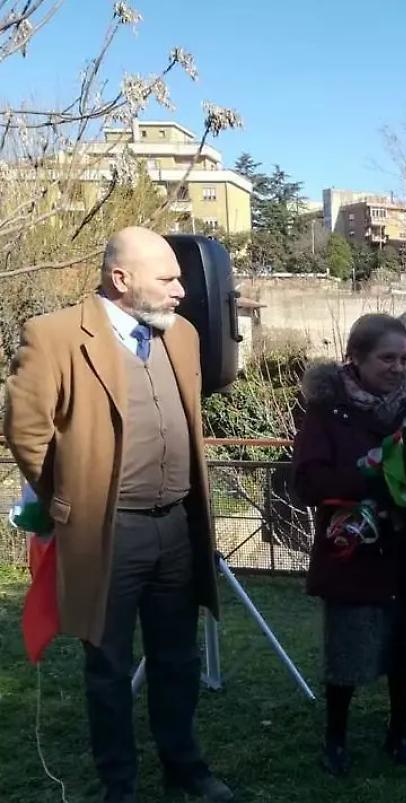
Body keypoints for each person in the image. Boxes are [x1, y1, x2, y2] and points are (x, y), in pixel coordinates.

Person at [3, 227, 233, 802]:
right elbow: (27, 431)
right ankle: (119, 783)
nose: (182, 290)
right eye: (169, 278)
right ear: (121, 279)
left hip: (178, 526)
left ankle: (185, 766)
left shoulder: (180, 335)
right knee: (108, 667)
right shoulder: (54, 335)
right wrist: (66, 496)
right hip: (107, 531)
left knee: (177, 658)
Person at [290, 313, 406, 778]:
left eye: (403, 358)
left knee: (405, 645)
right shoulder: (326, 410)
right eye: (386, 358)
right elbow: (308, 482)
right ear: (355, 358)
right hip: (352, 548)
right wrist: (371, 469)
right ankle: (335, 737)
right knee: (348, 649)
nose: (397, 367)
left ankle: (400, 731)